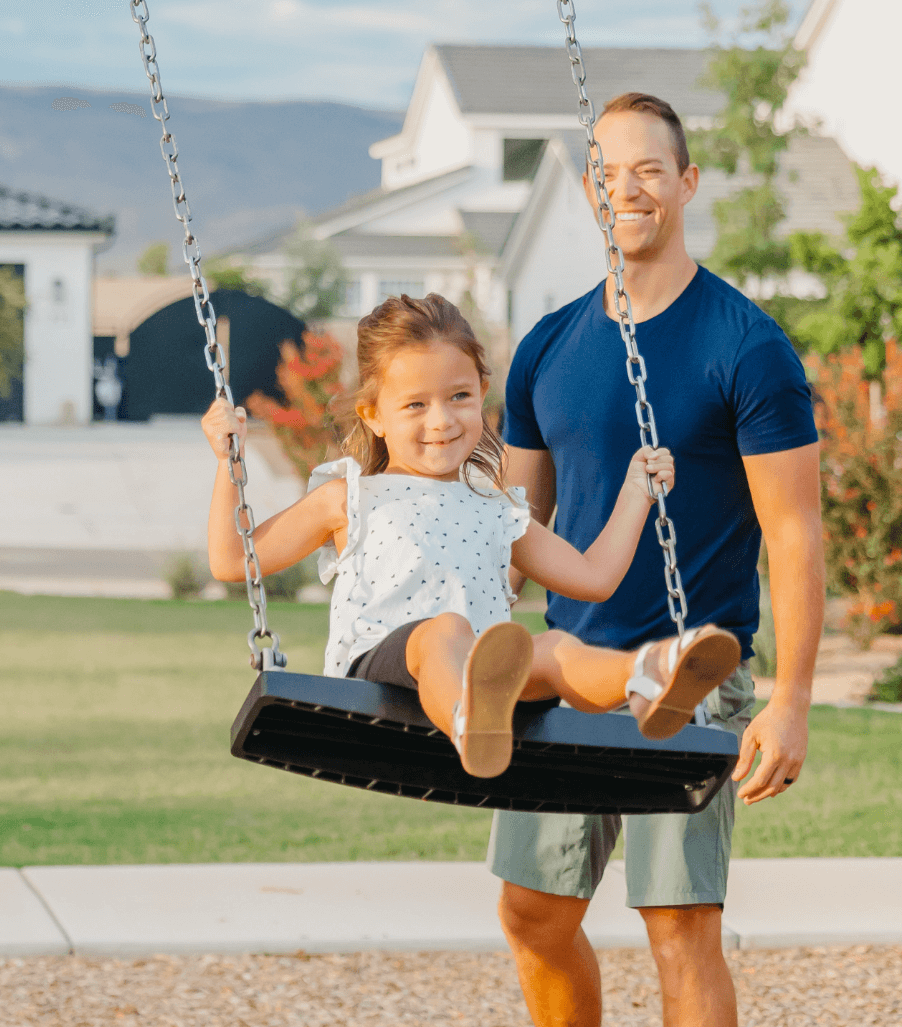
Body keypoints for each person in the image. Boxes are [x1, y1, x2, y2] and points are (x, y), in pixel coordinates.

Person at [490, 92, 824, 1027]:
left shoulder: (745, 344)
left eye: (646, 170)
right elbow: (516, 531)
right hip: (567, 674)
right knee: (531, 913)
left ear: (687, 182)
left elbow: (794, 533)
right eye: (606, 171)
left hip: (691, 673)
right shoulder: (547, 346)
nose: (624, 188)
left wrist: (793, 700)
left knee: (680, 929)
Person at [201, 292, 739, 778]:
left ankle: (648, 678)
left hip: (492, 678)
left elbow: (593, 578)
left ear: (481, 393)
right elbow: (233, 561)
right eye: (415, 404)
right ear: (374, 415)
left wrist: (635, 493)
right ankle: (467, 718)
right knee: (445, 630)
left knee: (552, 650)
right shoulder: (349, 497)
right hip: (381, 672)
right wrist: (229, 461)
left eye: (458, 396)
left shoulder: (495, 506)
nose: (442, 420)